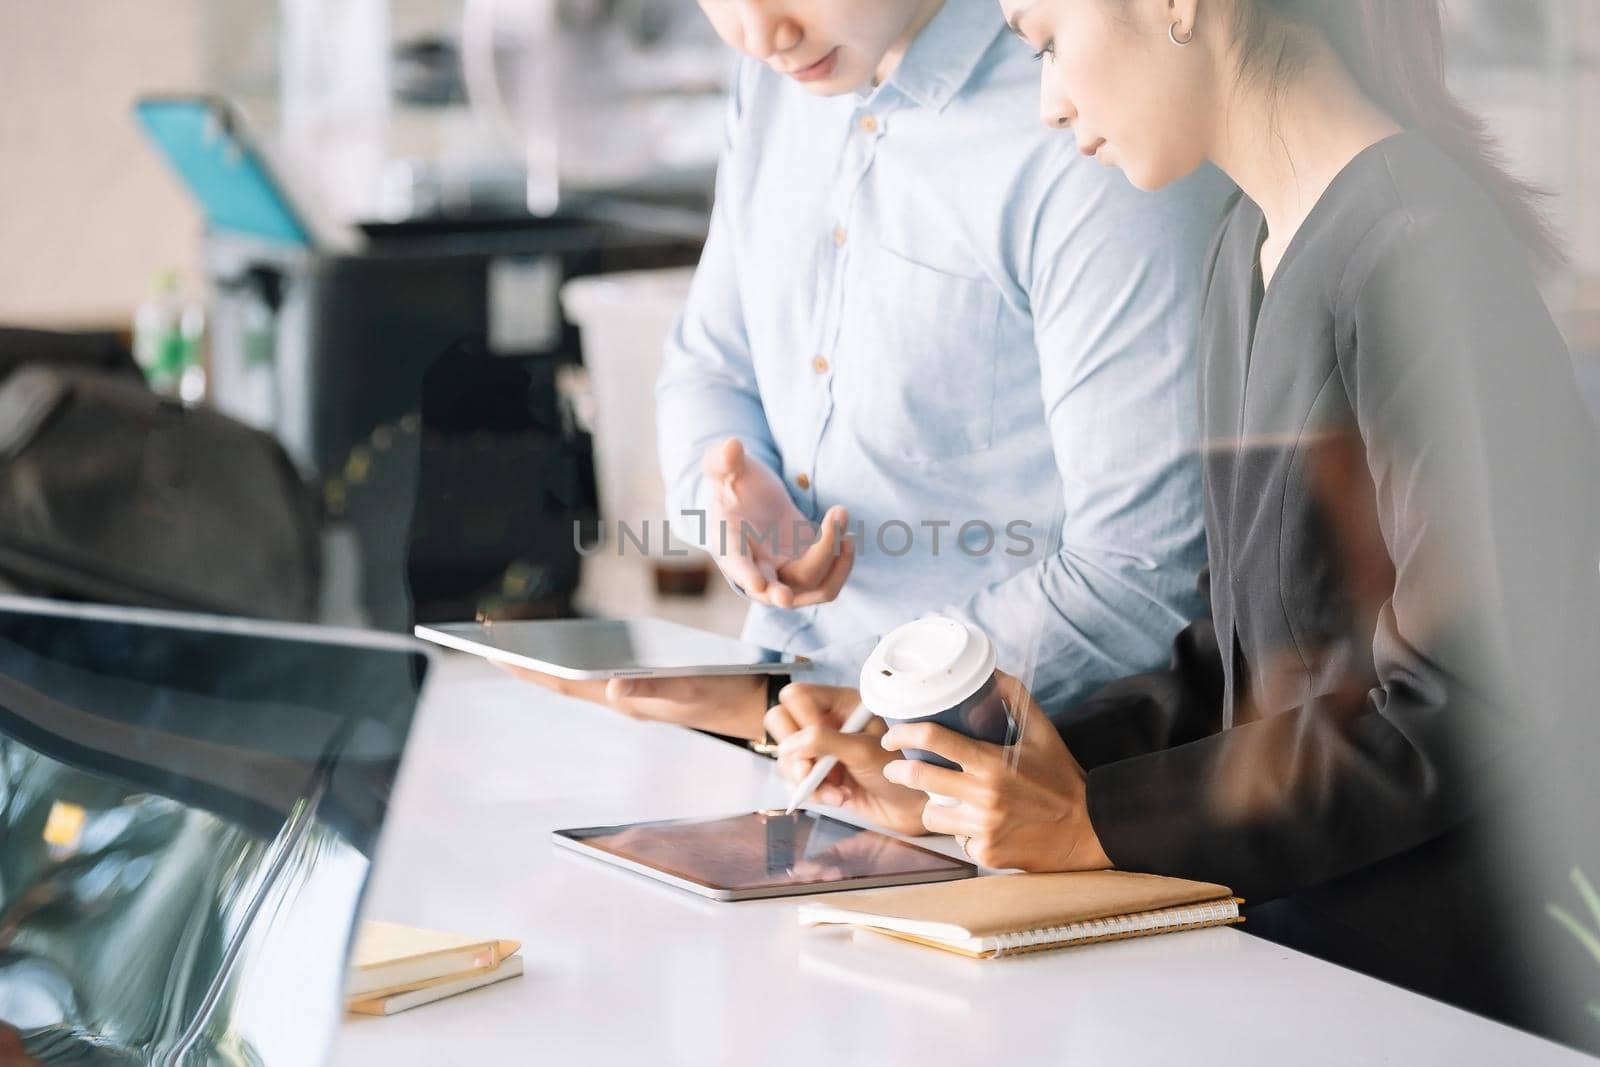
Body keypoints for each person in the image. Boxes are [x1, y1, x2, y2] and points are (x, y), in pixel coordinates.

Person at [768, 0, 1600, 1036]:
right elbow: (1238, 664)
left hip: (1434, 1000)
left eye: (1045, 42)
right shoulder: (1248, 244)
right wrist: (969, 780)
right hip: (1282, 965)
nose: (1049, 103)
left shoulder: (1415, 248)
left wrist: (1096, 819)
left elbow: (1469, 701)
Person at [506, 0, 1236, 742]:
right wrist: (730, 501)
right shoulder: (769, 86)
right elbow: (708, 365)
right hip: (790, 736)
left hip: (1012, 780)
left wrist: (824, 700)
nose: (760, 37)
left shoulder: (1092, 116)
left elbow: (1142, 574)